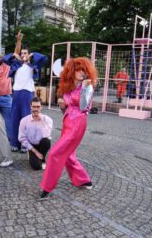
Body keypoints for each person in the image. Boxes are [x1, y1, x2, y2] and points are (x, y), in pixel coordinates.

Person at [39, 57, 97, 200]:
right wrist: (61, 104)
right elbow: (66, 108)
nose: (82, 72)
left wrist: (84, 88)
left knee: (55, 154)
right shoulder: (68, 87)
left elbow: (83, 107)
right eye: (78, 69)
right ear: (72, 71)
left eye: (84, 70)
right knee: (68, 155)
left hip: (78, 123)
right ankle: (83, 180)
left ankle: (46, 187)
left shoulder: (87, 86)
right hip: (67, 122)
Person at [3, 30, 48, 153]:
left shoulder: (33, 66)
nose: (23, 55)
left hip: (28, 94)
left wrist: (32, 54)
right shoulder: (16, 65)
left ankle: (25, 145)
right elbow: (4, 59)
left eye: (25, 53)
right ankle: (14, 143)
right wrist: (16, 51)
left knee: (27, 119)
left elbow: (44, 59)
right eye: (22, 53)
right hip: (16, 94)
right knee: (15, 118)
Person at [18, 97, 53, 170]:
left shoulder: (48, 120)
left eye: (38, 107)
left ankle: (43, 157)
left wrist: (42, 121)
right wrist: (36, 152)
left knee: (46, 141)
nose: (36, 109)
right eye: (34, 106)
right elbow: (21, 138)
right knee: (36, 167)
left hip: (41, 144)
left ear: (41, 107)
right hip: (31, 146)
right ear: (30, 107)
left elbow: (46, 135)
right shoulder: (24, 120)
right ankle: (33, 155)